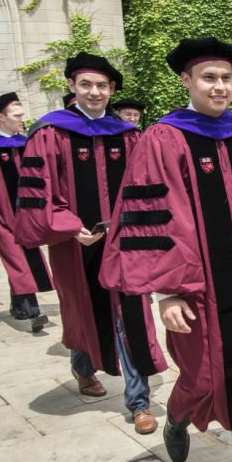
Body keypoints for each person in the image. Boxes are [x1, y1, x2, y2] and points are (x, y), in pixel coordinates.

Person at [100, 36, 232, 462]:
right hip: (200, 288)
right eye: (209, 77)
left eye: (226, 78)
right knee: (204, 376)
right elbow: (158, 216)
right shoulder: (164, 138)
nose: (220, 87)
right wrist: (167, 292)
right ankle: (178, 415)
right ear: (187, 81)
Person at [13, 52, 167, 434]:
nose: (94, 92)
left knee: (130, 316)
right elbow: (38, 191)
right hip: (74, 243)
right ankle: (83, 369)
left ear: (111, 89)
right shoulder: (51, 133)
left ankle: (139, 401)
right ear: (71, 87)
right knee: (80, 310)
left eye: (101, 85)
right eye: (86, 84)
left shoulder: (129, 135)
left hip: (123, 242)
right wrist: (68, 227)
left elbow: (145, 190)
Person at [0, 93, 53, 332]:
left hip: (27, 215)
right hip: (3, 216)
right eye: (17, 115)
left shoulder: (25, 143)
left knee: (28, 259)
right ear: (1, 117)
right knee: (17, 262)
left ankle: (17, 306)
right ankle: (33, 312)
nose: (22, 119)